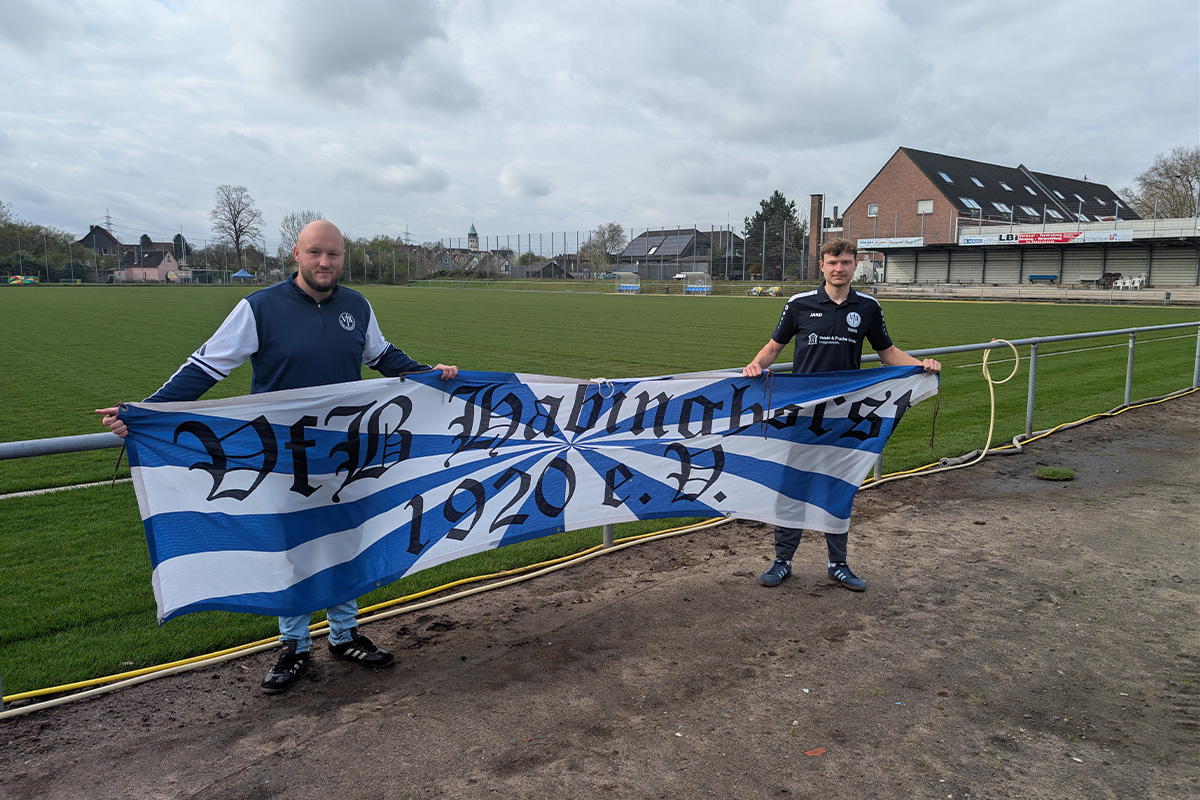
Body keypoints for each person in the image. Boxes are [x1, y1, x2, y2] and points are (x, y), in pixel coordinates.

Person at [97, 220, 458, 694]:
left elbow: (385, 357)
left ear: (342, 257)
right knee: (294, 547)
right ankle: (295, 645)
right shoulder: (259, 307)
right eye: (314, 253)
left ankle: (345, 635)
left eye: (332, 254)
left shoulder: (356, 306)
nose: (324, 263)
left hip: (347, 451)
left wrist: (430, 374)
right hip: (284, 454)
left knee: (346, 540)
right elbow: (206, 366)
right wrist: (146, 412)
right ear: (296, 254)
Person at [742, 238, 940, 592]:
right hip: (801, 415)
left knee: (839, 487)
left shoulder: (867, 307)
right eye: (833, 262)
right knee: (792, 486)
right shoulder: (798, 304)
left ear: (855, 265)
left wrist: (922, 366)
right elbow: (774, 348)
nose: (839, 268)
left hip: (845, 416)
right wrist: (755, 366)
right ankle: (782, 561)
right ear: (821, 265)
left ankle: (838, 564)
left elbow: (887, 352)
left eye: (846, 263)